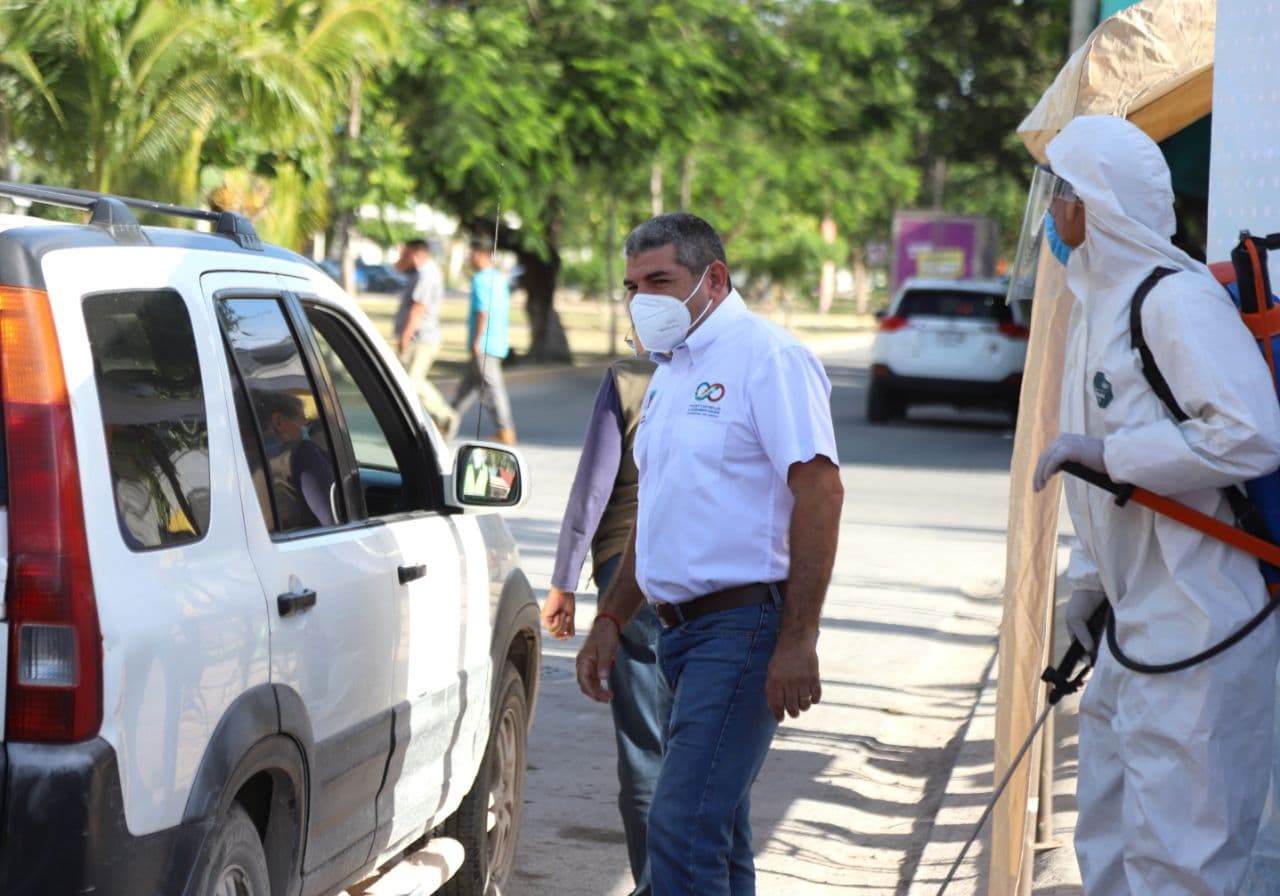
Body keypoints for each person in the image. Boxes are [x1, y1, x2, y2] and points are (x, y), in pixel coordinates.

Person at [1031, 115, 1280, 894]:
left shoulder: (1175, 301)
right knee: (1108, 842)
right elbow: (1101, 486)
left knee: (1183, 863)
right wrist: (1088, 581)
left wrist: (1116, 458)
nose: (1053, 209)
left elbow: (1250, 436)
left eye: (1063, 191)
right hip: (1133, 619)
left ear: (1098, 205)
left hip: (1205, 619)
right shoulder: (1096, 309)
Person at [574, 212, 843, 895]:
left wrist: (799, 639)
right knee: (715, 835)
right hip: (679, 636)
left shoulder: (768, 358)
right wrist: (611, 617)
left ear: (713, 279)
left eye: (660, 281)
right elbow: (658, 511)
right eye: (632, 286)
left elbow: (820, 493)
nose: (642, 299)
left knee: (681, 826)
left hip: (742, 630)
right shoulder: (671, 370)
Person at [544, 350, 667, 895]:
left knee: (644, 748)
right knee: (703, 750)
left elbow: (592, 488)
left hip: (629, 576)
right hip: (713, 578)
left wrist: (564, 580)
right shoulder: (738, 369)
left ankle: (655, 885)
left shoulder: (629, 379)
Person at [451, 237, 516, 445]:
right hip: (497, 341)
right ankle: (446, 423)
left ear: (481, 255)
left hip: (485, 344)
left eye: (471, 255)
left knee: (492, 390)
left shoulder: (480, 280)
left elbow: (482, 312)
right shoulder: (499, 278)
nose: (469, 259)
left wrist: (476, 340)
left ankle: (505, 431)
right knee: (465, 389)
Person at [394, 238, 459, 436]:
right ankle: (437, 417)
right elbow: (398, 269)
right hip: (420, 337)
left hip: (421, 338)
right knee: (409, 380)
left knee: (411, 382)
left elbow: (418, 308)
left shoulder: (426, 274)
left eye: (406, 254)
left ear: (416, 254)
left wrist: (405, 336)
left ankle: (445, 415)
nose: (403, 258)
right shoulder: (422, 272)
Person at [256, 390, 336, 530]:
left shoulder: (241, 466)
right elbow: (332, 520)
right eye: (304, 423)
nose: (306, 430)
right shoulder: (303, 454)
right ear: (279, 422)